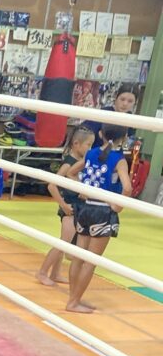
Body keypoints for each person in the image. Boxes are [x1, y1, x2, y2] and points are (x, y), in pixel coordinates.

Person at [65, 124, 132, 314]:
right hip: (102, 211)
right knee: (90, 262)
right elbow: (127, 188)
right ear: (124, 138)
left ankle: (74, 298)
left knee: (78, 258)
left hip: (85, 208)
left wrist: (84, 189)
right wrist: (116, 206)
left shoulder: (91, 153)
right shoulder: (119, 160)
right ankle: (73, 302)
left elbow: (70, 172)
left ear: (100, 134)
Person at [36, 126, 94, 287]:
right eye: (88, 145)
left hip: (77, 206)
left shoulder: (79, 163)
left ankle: (55, 273)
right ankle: (42, 272)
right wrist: (63, 205)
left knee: (65, 242)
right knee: (63, 242)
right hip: (69, 207)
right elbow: (52, 185)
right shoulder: (69, 164)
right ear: (76, 144)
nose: (90, 149)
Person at [83, 85, 137, 149]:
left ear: (134, 103)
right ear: (116, 97)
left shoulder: (133, 120)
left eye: (130, 101)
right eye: (122, 99)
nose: (125, 104)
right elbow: (83, 134)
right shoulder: (103, 113)